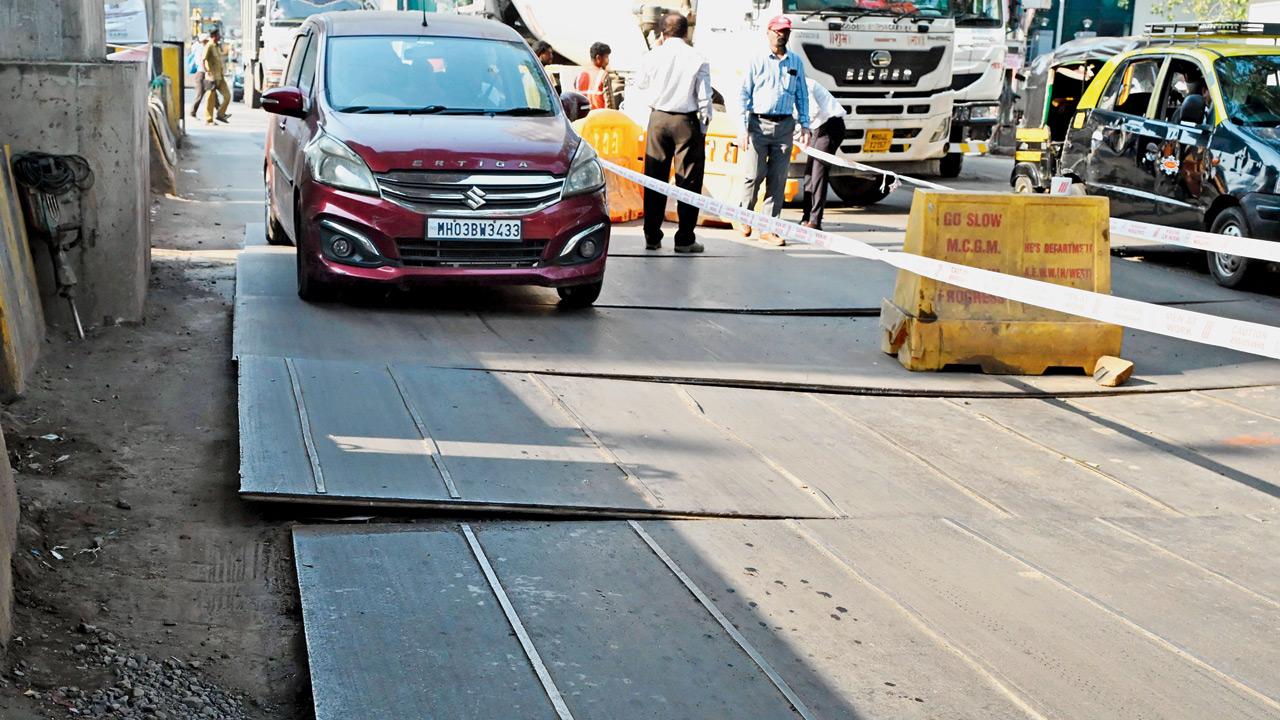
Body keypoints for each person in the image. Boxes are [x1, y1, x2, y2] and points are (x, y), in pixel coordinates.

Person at [634, 13, 712, 253]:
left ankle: (652, 236)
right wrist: (702, 130)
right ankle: (685, 238)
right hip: (685, 122)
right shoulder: (697, 57)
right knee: (688, 181)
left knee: (654, 178)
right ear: (686, 32)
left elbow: (640, 85)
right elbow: (704, 100)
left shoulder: (652, 56)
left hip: (657, 119)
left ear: (661, 33)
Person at [738, 16, 811, 246]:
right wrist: (742, 128)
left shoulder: (795, 62)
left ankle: (769, 227)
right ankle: (745, 215)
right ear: (768, 32)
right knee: (754, 174)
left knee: (778, 179)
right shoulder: (756, 60)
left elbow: (802, 95)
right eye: (778, 31)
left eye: (786, 31)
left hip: (784, 126)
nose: (782, 35)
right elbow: (743, 95)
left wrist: (805, 124)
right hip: (758, 125)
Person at [796, 78, 846, 230]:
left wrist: (797, 129)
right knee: (809, 174)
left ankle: (815, 220)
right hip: (816, 128)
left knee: (818, 173)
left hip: (831, 126)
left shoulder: (803, 85)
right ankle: (806, 216)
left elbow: (812, 111)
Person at [202, 29, 232, 125]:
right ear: (214, 36)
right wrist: (207, 72)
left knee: (227, 96)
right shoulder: (209, 46)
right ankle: (209, 119)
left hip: (220, 77)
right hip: (212, 77)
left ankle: (220, 114)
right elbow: (203, 60)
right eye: (218, 35)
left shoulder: (217, 46)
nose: (219, 37)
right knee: (210, 99)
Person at [575, 42, 615, 111]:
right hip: (599, 119)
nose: (608, 61)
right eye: (606, 57)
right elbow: (610, 107)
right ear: (598, 58)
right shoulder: (603, 76)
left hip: (583, 120)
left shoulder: (579, 75)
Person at [188, 35, 211, 118]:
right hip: (201, 73)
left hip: (203, 73)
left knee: (211, 92)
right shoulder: (201, 48)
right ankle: (192, 112)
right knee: (200, 94)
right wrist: (207, 71)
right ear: (204, 41)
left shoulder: (198, 46)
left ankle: (220, 113)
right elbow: (202, 62)